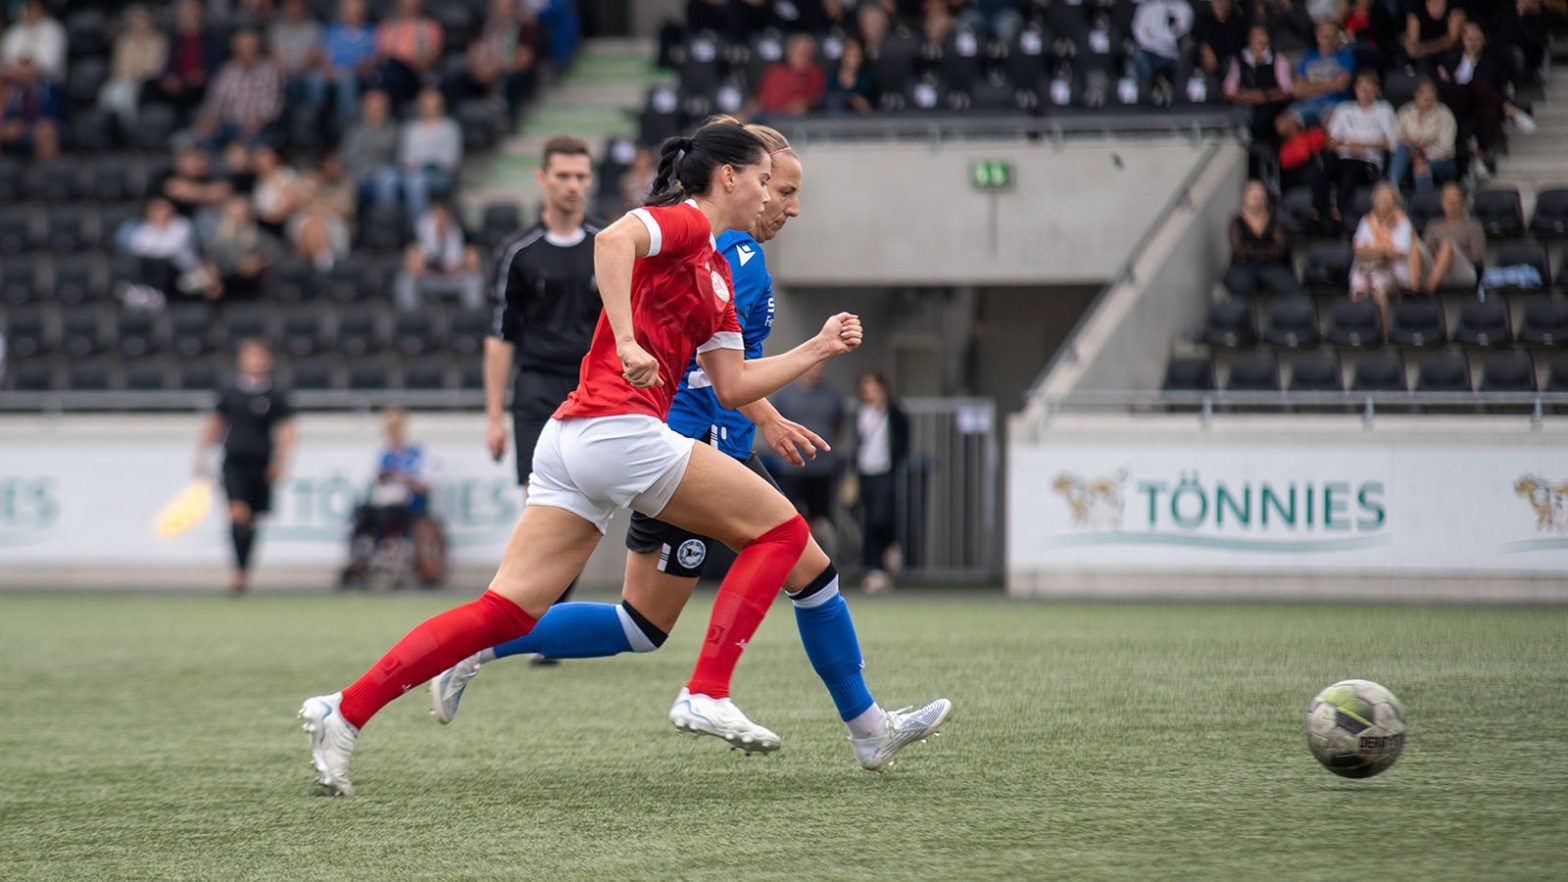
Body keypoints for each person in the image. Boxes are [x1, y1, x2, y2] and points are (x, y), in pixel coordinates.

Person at [297, 121, 866, 796]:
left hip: (572, 439)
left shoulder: (717, 274)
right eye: (767, 182)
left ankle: (344, 710)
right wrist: (625, 339)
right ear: (729, 178)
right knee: (782, 534)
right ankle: (707, 690)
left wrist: (818, 348)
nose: (774, 198)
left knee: (507, 612)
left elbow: (734, 385)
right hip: (618, 432)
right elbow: (611, 240)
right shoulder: (685, 222)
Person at [429, 122, 950, 774]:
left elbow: (721, 366)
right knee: (802, 560)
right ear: (741, 180)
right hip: (683, 441)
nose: (787, 206)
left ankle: (479, 644)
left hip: (694, 433)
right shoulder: (725, 248)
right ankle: (819, 717)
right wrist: (789, 375)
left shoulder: (731, 249)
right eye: (780, 188)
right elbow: (712, 365)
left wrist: (768, 418)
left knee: (642, 625)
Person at [195, 338, 296, 595]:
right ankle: (238, 572)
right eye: (252, 357)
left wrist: (281, 460)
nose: (256, 362)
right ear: (242, 361)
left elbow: (286, 429)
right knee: (237, 513)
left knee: (253, 519)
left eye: (261, 357)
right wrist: (202, 455)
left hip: (261, 463)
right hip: (235, 462)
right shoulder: (230, 391)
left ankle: (244, 567)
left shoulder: (276, 394)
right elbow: (216, 422)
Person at [342, 408, 430, 586]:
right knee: (362, 513)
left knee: (387, 516)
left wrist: (402, 478)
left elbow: (425, 486)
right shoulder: (384, 454)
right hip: (384, 500)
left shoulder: (416, 454)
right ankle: (358, 555)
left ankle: (382, 555)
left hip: (407, 504)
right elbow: (374, 479)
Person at [1437, 23, 1534, 177]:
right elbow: (1444, 87)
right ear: (1463, 40)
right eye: (1470, 39)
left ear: (1483, 41)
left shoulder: (1492, 64)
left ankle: (1478, 155)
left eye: (1477, 39)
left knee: (1483, 97)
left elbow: (1497, 88)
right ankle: (1511, 112)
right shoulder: (1450, 61)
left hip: (1479, 105)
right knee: (1474, 84)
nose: (1473, 43)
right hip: (1455, 104)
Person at [771, 362, 846, 543]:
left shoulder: (833, 397)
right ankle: (790, 546)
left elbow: (838, 426)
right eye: (813, 368)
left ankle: (812, 548)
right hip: (790, 467)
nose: (815, 372)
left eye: (819, 368)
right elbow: (774, 424)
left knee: (817, 515)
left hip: (821, 467)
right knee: (788, 511)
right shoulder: (785, 395)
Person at [854, 371, 906, 594]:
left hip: (885, 472)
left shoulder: (893, 413)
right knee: (868, 519)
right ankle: (873, 567)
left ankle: (887, 554)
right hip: (866, 471)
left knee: (881, 517)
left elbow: (902, 443)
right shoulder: (861, 412)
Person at [191, 30, 284, 149]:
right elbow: (214, 101)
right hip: (226, 125)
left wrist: (258, 121)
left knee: (253, 142)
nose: (246, 49)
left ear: (258, 46)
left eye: (250, 45)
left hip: (258, 126)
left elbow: (272, 106)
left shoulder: (270, 71)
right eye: (242, 45)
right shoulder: (226, 71)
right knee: (201, 138)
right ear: (235, 47)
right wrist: (210, 120)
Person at [1325, 71, 1396, 221]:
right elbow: (1331, 142)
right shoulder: (1344, 109)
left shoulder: (1384, 109)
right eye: (1362, 88)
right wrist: (1350, 146)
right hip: (1343, 156)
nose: (1366, 92)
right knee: (1321, 167)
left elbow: (1392, 142)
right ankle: (1317, 211)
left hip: (1369, 162)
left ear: (1376, 89)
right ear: (1356, 88)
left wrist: (1363, 145)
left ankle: (1340, 212)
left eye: (1370, 88)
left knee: (1350, 168)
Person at [1350, 182, 1421, 329]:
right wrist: (1380, 250)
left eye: (1387, 198)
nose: (1383, 201)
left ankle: (1383, 331)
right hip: (1366, 266)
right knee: (1357, 287)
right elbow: (1357, 248)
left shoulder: (1402, 221)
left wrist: (1374, 250)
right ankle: (1358, 328)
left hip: (1392, 269)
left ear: (1395, 201)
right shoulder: (1366, 220)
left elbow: (1400, 252)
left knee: (1378, 286)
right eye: (1380, 197)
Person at [395, 202, 485, 311]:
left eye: (443, 217)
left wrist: (459, 267)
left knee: (475, 278)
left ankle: (472, 317)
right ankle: (411, 317)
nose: (440, 220)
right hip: (428, 277)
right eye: (437, 216)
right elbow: (419, 258)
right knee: (405, 279)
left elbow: (460, 258)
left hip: (451, 278)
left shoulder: (456, 229)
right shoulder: (422, 228)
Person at [1225, 179, 1307, 299]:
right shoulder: (1237, 222)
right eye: (1254, 198)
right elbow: (1239, 248)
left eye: (1261, 198)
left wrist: (1258, 253)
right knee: (1239, 285)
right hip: (1243, 265)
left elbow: (1279, 247)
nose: (1258, 201)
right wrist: (1264, 252)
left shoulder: (1274, 222)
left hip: (1271, 265)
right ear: (1245, 198)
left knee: (1289, 286)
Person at [398, 88, 462, 227]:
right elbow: (406, 158)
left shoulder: (450, 128)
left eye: (433, 105)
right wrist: (418, 163)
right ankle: (408, 224)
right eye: (425, 105)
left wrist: (427, 161)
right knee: (403, 181)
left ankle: (417, 226)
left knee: (417, 182)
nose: (429, 108)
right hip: (414, 173)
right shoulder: (411, 129)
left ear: (440, 105)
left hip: (441, 174)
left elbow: (451, 159)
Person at [152, 0, 223, 124]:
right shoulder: (173, 38)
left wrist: (203, 76)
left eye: (191, 9)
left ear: (200, 12)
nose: (187, 14)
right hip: (176, 86)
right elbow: (166, 64)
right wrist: (169, 77)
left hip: (200, 88)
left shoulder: (213, 38)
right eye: (184, 10)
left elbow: (217, 67)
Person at [99, 4, 168, 129]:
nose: (138, 24)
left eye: (142, 20)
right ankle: (110, 126)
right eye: (135, 21)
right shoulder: (123, 42)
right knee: (109, 92)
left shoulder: (158, 41)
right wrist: (128, 75)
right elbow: (119, 66)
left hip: (146, 82)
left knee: (129, 95)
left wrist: (137, 74)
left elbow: (154, 67)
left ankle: (130, 128)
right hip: (124, 79)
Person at [1224, 25, 1294, 147]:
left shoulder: (1278, 60)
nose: (1260, 41)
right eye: (1256, 37)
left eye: (1263, 36)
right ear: (1250, 40)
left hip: (1269, 107)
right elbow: (1228, 92)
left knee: (1264, 119)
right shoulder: (1239, 60)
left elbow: (1288, 91)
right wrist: (1247, 96)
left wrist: (1265, 95)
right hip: (1243, 106)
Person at [203, 194, 282, 299]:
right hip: (225, 285)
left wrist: (259, 263)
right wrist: (213, 278)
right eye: (236, 209)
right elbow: (210, 261)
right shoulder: (216, 238)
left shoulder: (260, 237)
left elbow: (276, 254)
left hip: (252, 287)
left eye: (243, 210)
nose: (240, 213)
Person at [315, 0, 379, 127]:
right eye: (349, 11)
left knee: (347, 80)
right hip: (333, 71)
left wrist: (356, 67)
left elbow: (374, 58)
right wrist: (327, 69)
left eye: (356, 12)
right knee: (314, 80)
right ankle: (315, 123)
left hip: (358, 73)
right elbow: (323, 55)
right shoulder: (332, 30)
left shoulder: (371, 31)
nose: (353, 15)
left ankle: (347, 125)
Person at [1388, 79, 1457, 193]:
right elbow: (1392, 140)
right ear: (1415, 94)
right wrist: (1411, 148)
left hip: (1439, 159)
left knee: (1421, 169)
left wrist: (1424, 151)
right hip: (1408, 154)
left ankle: (1425, 201)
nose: (1427, 96)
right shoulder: (1405, 112)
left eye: (1431, 92)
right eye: (1423, 92)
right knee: (1402, 146)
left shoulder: (1445, 115)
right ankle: (1392, 190)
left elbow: (1447, 149)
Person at [1416, 181, 1484, 293]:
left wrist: (1449, 255)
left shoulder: (1473, 226)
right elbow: (1426, 249)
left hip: (1463, 270)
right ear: (1442, 203)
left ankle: (1428, 289)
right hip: (1436, 267)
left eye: (1455, 201)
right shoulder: (1433, 225)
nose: (1452, 205)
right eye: (1449, 202)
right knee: (1415, 246)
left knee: (1447, 244)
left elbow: (1477, 257)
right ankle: (1414, 290)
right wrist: (1439, 256)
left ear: (1462, 202)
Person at [1287, 18, 1355, 128]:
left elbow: (1340, 85)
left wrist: (1309, 87)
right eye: (1325, 36)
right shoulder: (1307, 57)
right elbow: (1298, 91)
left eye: (1332, 35)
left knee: (1332, 122)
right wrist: (1329, 85)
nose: (1329, 40)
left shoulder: (1345, 56)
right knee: (1284, 124)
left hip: (1334, 103)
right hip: (1307, 104)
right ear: (1317, 35)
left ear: (1337, 36)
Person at [374, 0, 442, 107]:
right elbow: (383, 54)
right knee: (392, 68)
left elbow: (433, 56)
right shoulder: (387, 26)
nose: (409, 6)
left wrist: (408, 61)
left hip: (417, 73)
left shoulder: (430, 26)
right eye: (405, 3)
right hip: (393, 71)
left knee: (395, 68)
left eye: (412, 3)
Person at [340, 89, 401, 210]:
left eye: (379, 108)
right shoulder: (354, 131)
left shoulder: (393, 129)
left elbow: (397, 158)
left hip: (384, 175)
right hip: (357, 174)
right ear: (363, 109)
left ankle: (386, 217)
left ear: (386, 109)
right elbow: (348, 157)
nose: (375, 112)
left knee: (387, 177)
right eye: (371, 108)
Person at [0, 55, 60, 160]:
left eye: (27, 72)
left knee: (46, 131)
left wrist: (31, 125)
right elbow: (9, 112)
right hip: (20, 125)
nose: (24, 76)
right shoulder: (13, 90)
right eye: (21, 73)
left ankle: (48, 168)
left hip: (42, 124)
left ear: (35, 71)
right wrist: (9, 125)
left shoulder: (49, 88)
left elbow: (52, 114)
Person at [752, 33, 826, 118]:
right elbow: (761, 97)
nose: (801, 54)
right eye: (797, 50)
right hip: (768, 116)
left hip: (793, 119)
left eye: (805, 51)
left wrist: (806, 103)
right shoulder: (775, 71)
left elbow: (817, 97)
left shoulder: (813, 72)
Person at [1131, 0, 1194, 97]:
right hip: (1149, 54)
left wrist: (1153, 38)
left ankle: (1166, 89)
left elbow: (1176, 36)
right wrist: (1158, 42)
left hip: (1172, 55)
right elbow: (1138, 33)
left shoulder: (1184, 8)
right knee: (1138, 54)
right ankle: (1149, 91)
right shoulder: (1147, 7)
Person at [0, 1, 66, 81]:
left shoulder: (53, 29)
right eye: (28, 8)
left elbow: (50, 62)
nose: (30, 12)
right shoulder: (15, 30)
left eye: (34, 8)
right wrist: (20, 68)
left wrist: (28, 67)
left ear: (42, 9)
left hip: (45, 79)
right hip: (14, 76)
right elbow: (7, 57)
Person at [1405, 0, 1465, 75]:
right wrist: (1414, 49)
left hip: (1449, 53)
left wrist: (1427, 49)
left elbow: (1452, 39)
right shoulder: (1416, 7)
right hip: (1424, 57)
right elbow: (1412, 40)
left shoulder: (1455, 6)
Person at [1192, 0, 1249, 77]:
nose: (1222, 5)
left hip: (1228, 68)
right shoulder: (1204, 19)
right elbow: (1195, 38)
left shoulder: (1237, 23)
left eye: (1225, 2)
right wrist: (1204, 48)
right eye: (1218, 2)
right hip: (1203, 66)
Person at [823, 35, 875, 115]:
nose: (851, 57)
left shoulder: (868, 77)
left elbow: (868, 100)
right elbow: (828, 98)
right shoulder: (832, 77)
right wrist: (850, 98)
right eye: (848, 54)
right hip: (835, 117)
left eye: (856, 55)